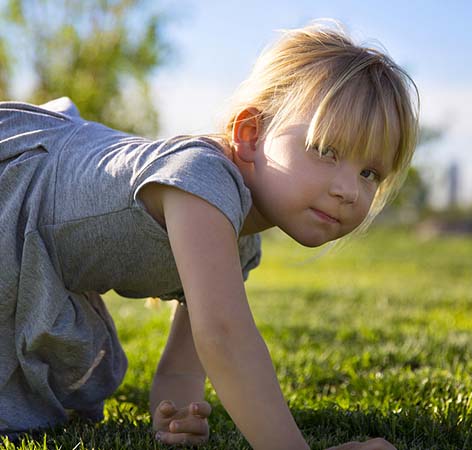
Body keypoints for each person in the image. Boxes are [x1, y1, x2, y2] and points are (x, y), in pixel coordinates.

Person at [0, 20, 418, 450]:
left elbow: (183, 369)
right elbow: (224, 336)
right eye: (326, 150)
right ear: (250, 135)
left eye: (370, 173)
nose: (348, 190)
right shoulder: (203, 178)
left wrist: (176, 419)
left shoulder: (237, 240)